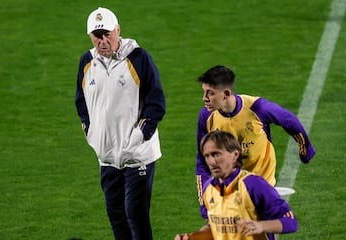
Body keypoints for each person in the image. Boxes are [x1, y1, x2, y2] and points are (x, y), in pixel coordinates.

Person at [75, 7, 166, 240]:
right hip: (106, 157)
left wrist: (140, 136)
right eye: (97, 36)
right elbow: (81, 102)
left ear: (118, 30)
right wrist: (90, 132)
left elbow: (156, 102)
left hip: (138, 156)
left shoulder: (138, 58)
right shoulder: (87, 62)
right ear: (90, 36)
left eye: (107, 34)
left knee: (135, 215)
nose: (103, 41)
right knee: (116, 217)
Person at [195, 65, 315, 219]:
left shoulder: (257, 108)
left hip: (262, 192)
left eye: (210, 93)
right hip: (230, 194)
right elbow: (202, 161)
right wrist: (204, 201)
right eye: (204, 92)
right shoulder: (206, 116)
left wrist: (305, 150)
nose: (204, 98)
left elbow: (289, 120)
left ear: (226, 93)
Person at [175, 130, 299, 240]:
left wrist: (260, 226)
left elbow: (291, 222)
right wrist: (192, 237)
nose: (211, 162)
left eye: (216, 154)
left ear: (235, 155)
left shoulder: (254, 185)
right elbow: (216, 228)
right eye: (207, 156)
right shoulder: (208, 188)